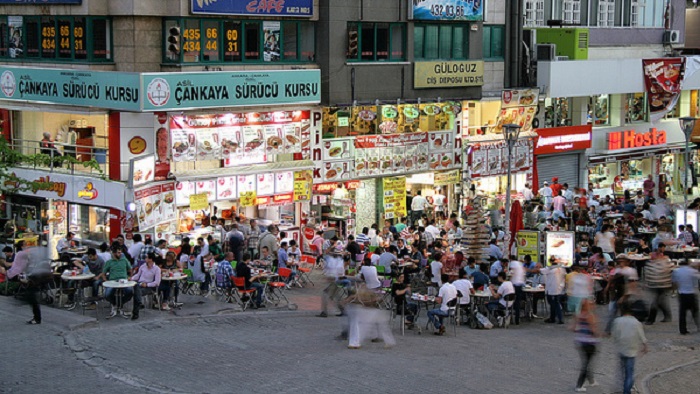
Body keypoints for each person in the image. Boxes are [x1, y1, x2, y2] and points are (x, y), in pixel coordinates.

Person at [611, 302, 648, 394]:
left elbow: (614, 335)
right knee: (629, 373)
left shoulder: (617, 321)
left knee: (623, 370)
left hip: (621, 349)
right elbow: (641, 335)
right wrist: (645, 346)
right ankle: (627, 391)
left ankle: (626, 387)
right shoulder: (636, 322)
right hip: (632, 349)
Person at [5, 241, 41, 324]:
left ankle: (36, 317)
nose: (27, 246)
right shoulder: (21, 253)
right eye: (25, 245)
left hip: (22, 275)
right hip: (19, 274)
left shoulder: (20, 253)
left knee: (32, 294)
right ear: (21, 246)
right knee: (32, 294)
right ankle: (36, 318)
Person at [572, 299, 600, 392]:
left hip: (581, 341)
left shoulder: (579, 315)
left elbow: (573, 328)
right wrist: (598, 333)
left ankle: (591, 380)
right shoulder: (590, 316)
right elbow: (593, 330)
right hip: (590, 342)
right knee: (587, 364)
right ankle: (579, 385)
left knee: (587, 362)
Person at [98, 244, 134, 318]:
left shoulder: (124, 260)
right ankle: (115, 304)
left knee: (130, 292)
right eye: (118, 252)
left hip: (124, 281)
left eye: (120, 252)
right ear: (114, 253)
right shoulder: (109, 262)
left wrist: (130, 277)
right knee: (107, 294)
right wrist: (105, 281)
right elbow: (103, 273)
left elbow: (130, 270)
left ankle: (119, 305)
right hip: (112, 281)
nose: (120, 254)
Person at [129, 252, 161, 320]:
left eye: (146, 257)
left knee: (136, 292)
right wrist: (131, 278)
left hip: (149, 287)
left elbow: (157, 282)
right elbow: (138, 275)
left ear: (151, 259)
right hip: (140, 284)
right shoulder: (143, 266)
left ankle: (136, 312)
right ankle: (139, 303)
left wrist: (147, 284)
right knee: (136, 287)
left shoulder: (157, 269)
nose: (145, 259)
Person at [671, 260, 699, 335]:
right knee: (695, 312)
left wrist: (675, 291)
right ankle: (698, 325)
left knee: (682, 313)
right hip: (691, 293)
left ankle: (683, 330)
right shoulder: (692, 271)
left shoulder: (676, 271)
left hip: (682, 294)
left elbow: (674, 282)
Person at [644, 253, 673, 325]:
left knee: (655, 302)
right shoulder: (652, 264)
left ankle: (651, 319)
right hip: (659, 285)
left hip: (662, 286)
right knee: (659, 301)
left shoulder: (663, 262)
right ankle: (667, 315)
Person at [539, 258, 567, 324]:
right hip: (559, 289)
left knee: (555, 304)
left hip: (552, 289)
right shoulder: (562, 269)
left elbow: (540, 271)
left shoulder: (549, 269)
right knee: (554, 304)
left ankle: (559, 319)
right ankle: (553, 318)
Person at [509, 257, 526, 325]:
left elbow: (511, 273)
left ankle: (511, 317)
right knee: (518, 302)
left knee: (510, 300)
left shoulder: (513, 263)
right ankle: (517, 319)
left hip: (514, 285)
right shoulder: (520, 264)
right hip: (520, 285)